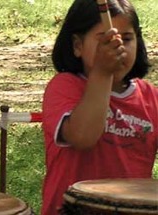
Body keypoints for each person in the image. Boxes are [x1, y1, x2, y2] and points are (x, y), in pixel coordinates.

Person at [42, 0, 155, 214]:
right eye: (106, 40)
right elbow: (83, 137)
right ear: (77, 45)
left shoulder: (151, 98)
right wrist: (103, 72)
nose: (118, 48)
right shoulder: (65, 87)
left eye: (127, 39)